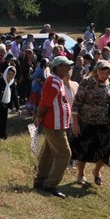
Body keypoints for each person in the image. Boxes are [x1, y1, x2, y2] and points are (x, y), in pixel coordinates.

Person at [71, 59, 110, 187]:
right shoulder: (86, 82)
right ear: (97, 71)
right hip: (87, 122)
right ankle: (80, 174)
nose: (105, 75)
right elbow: (76, 104)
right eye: (103, 72)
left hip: (104, 123)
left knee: (104, 150)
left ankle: (96, 171)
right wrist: (75, 124)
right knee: (84, 150)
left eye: (107, 72)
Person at [34, 55, 74, 197]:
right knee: (64, 154)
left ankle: (40, 181)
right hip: (54, 124)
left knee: (48, 153)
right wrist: (39, 117)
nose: (70, 68)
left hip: (57, 123)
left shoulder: (57, 81)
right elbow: (45, 103)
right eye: (67, 65)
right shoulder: (53, 82)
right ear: (59, 67)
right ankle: (50, 185)